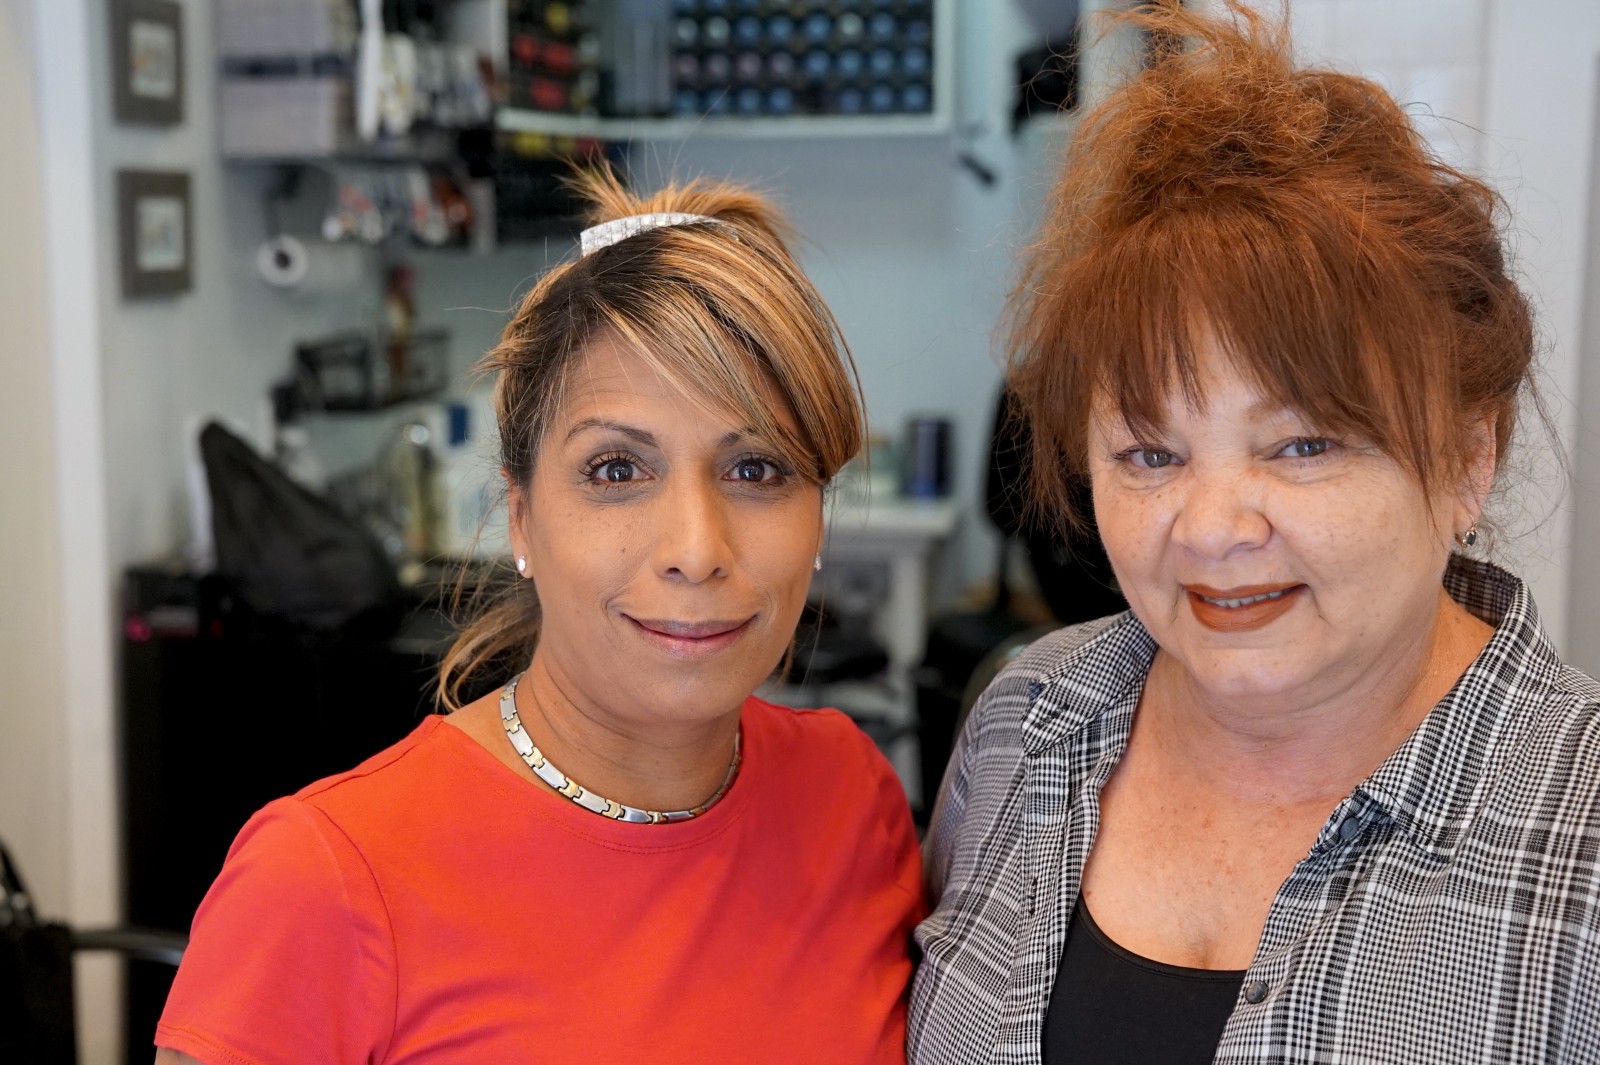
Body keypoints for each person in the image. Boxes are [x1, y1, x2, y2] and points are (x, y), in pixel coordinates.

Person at [909, 3, 1600, 1063]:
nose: (1212, 529)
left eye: (1302, 445)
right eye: (1150, 455)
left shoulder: (1578, 827)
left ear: (1469, 457)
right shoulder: (1027, 722)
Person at [155, 169, 923, 1065]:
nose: (695, 548)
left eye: (756, 469)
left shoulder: (852, 799)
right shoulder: (324, 880)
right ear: (520, 516)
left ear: (818, 515)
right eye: (616, 470)